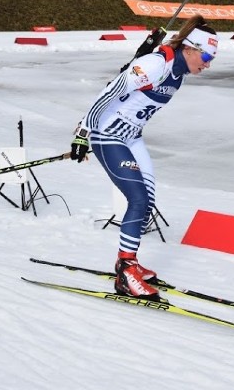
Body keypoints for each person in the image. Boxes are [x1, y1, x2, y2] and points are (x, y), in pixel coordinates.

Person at [69, 16, 218, 299]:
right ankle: (125, 273)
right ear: (190, 47)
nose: (208, 64)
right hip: (107, 134)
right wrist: (82, 133)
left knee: (146, 202)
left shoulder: (178, 70)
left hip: (132, 137)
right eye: (207, 56)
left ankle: (129, 261)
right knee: (137, 200)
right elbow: (109, 92)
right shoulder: (155, 65)